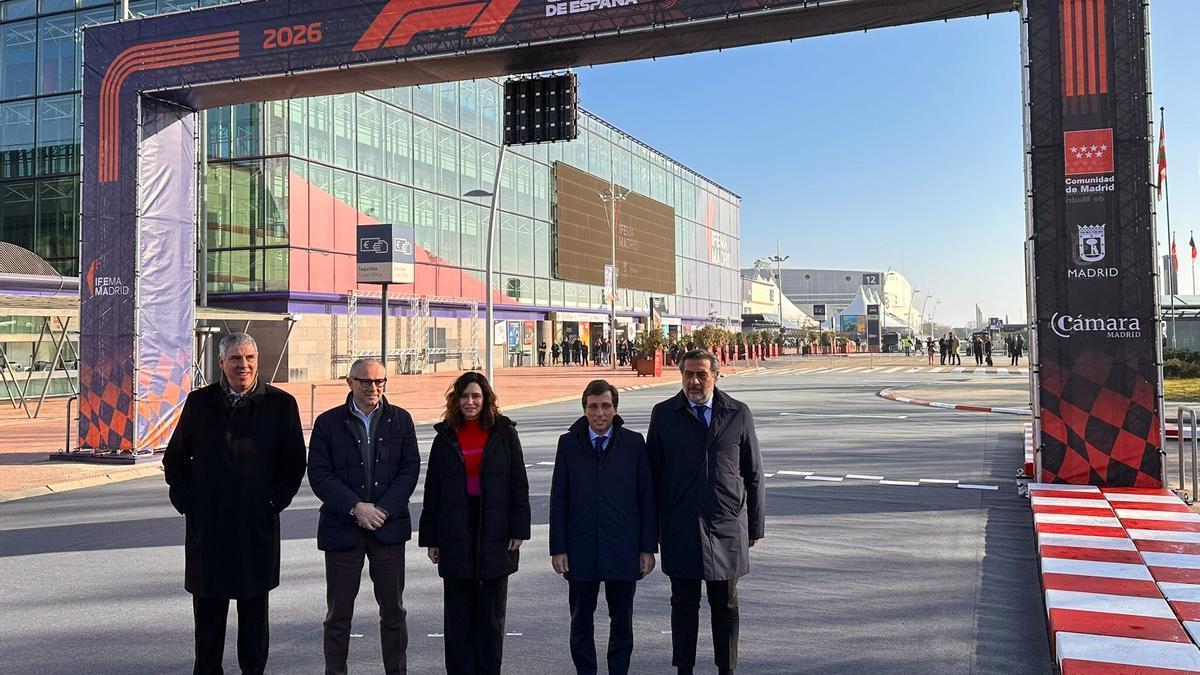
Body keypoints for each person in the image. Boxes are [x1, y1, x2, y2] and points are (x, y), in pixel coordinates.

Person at [163, 333, 307, 675]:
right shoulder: (199, 403)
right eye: (236, 359)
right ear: (221, 363)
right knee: (209, 618)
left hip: (255, 526)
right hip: (209, 528)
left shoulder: (280, 405)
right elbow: (175, 460)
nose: (244, 365)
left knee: (254, 615)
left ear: (257, 361)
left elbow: (293, 464)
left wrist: (272, 502)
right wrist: (188, 502)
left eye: (250, 359)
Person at [647, 349, 765, 675]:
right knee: (683, 605)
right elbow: (651, 476)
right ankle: (683, 668)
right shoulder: (664, 414)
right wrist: (651, 530)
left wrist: (755, 526)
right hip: (679, 525)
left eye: (702, 374)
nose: (695, 381)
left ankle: (726, 668)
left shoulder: (738, 413)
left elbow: (753, 473)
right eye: (688, 374)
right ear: (680, 375)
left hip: (725, 525)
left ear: (715, 375)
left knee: (725, 605)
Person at [308, 358, 421, 675]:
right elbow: (319, 473)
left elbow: (409, 469)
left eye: (380, 382)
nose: (373, 388)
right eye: (365, 382)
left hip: (388, 528)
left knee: (393, 613)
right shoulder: (328, 423)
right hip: (343, 529)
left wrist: (383, 509)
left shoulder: (401, 420)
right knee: (339, 615)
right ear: (349, 382)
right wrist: (356, 506)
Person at [419, 372, 531, 674]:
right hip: (455, 527)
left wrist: (519, 529)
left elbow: (518, 483)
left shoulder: (504, 432)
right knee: (457, 617)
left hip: (495, 526)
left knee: (491, 617)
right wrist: (431, 538)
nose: (470, 402)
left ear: (486, 400)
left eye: (476, 397)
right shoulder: (445, 437)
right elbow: (433, 489)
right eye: (465, 397)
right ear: (456, 399)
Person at [550, 380, 657, 675]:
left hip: (623, 547)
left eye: (606, 406)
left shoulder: (634, 444)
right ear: (584, 409)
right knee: (581, 620)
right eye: (593, 406)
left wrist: (648, 547)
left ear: (615, 409)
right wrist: (558, 548)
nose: (600, 413)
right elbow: (559, 498)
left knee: (621, 619)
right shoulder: (569, 444)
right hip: (580, 547)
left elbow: (646, 499)